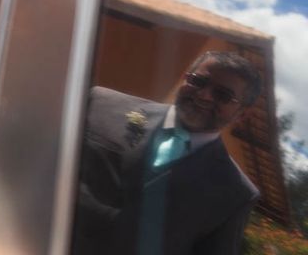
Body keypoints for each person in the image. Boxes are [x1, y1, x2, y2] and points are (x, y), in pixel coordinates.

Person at [72, 51, 263, 255]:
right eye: (198, 81)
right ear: (185, 77)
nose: (204, 95)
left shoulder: (236, 193)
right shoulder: (102, 104)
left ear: (242, 114)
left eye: (222, 95)